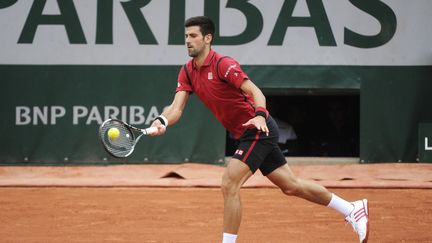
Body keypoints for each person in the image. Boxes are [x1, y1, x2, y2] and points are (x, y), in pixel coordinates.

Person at [149, 16, 369, 243]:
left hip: (257, 130)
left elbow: (256, 93)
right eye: (186, 36)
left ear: (208, 38)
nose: (188, 41)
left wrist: (260, 116)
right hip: (243, 134)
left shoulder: (223, 64)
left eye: (193, 36)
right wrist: (162, 122)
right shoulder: (187, 71)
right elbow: (176, 108)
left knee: (229, 183)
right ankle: (351, 208)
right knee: (291, 186)